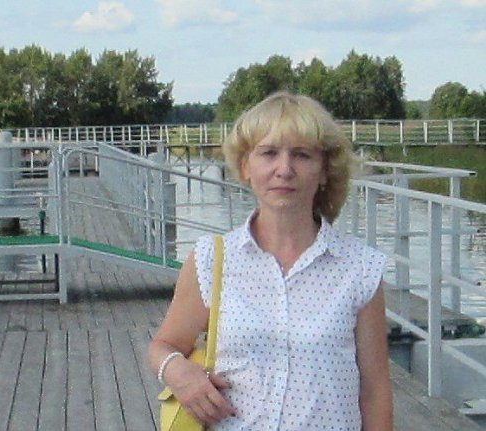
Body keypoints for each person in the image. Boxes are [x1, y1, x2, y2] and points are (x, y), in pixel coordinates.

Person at [148, 91, 393, 430]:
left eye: (302, 155)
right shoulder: (211, 259)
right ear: (246, 166)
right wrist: (177, 371)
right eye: (268, 153)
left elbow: (375, 391)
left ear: (325, 170)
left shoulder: (359, 268)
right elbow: (163, 345)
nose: (285, 169)